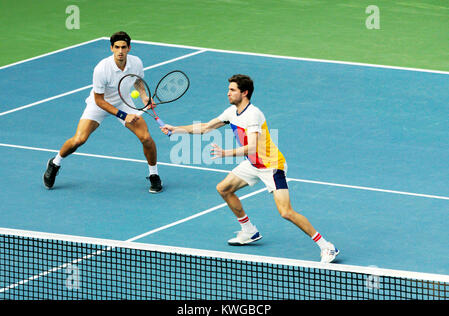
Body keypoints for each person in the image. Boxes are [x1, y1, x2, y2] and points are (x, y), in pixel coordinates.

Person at [161, 74, 339, 263]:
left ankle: (327, 246)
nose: (228, 93)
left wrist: (225, 153)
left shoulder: (253, 114)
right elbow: (205, 128)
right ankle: (249, 231)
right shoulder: (231, 112)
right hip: (253, 163)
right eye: (229, 89)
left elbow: (252, 147)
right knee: (224, 188)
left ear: (244, 93)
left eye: (232, 90)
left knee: (286, 212)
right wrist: (176, 129)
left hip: (271, 166)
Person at [43, 31, 163, 193]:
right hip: (98, 105)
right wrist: (123, 115)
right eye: (117, 47)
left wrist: (144, 96)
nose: (120, 51)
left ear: (129, 48)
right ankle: (55, 163)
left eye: (123, 47)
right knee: (79, 139)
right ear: (111, 48)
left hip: (123, 101)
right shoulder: (101, 69)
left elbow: (138, 81)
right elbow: (99, 100)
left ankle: (154, 175)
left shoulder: (136, 63)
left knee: (146, 138)